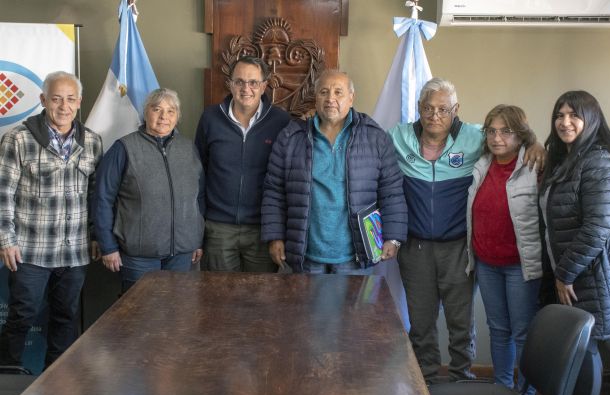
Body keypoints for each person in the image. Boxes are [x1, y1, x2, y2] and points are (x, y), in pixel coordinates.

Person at [389, 77, 545, 383]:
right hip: (415, 248)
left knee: (461, 323)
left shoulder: (476, 136)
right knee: (421, 323)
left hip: (458, 248)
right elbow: (369, 146)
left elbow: (511, 136)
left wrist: (535, 143)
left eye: (443, 109)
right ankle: (427, 382)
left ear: (456, 109)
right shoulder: (398, 136)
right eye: (428, 108)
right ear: (419, 107)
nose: (435, 115)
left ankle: (462, 379)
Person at [0, 71, 103, 367]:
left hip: (75, 252)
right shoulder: (18, 139)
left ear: (79, 102)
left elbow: (96, 195)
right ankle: (6, 376)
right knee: (22, 315)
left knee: (66, 318)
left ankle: (56, 382)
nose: (64, 106)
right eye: (56, 99)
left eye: (70, 99)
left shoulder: (92, 141)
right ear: (43, 100)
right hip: (30, 251)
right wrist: (6, 240)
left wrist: (95, 236)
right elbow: (3, 192)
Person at [261, 70, 407, 274]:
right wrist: (275, 236)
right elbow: (274, 191)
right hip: (306, 256)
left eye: (338, 92)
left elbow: (391, 192)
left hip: (357, 257)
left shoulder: (375, 138)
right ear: (316, 97)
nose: (330, 98)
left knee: (358, 298)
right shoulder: (291, 137)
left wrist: (393, 237)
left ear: (351, 98)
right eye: (324, 92)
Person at [540, 90, 610, 395]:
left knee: (586, 349)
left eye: (574, 115)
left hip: (589, 272)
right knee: (576, 347)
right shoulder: (566, 158)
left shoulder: (598, 159)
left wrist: (565, 274)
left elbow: (597, 227)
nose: (565, 122)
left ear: (592, 118)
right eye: (559, 115)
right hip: (571, 271)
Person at [466, 105, 541, 395]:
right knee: (498, 330)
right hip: (486, 264)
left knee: (523, 334)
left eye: (506, 131)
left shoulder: (534, 164)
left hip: (520, 267)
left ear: (520, 134)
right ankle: (502, 394)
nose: (497, 138)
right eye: (492, 131)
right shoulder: (482, 164)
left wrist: (538, 146)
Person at [94, 88, 205, 293]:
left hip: (182, 254)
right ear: (146, 113)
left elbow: (199, 198)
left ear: (178, 116)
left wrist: (196, 240)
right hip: (139, 257)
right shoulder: (124, 148)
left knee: (179, 309)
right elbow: (102, 198)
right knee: (140, 311)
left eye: (171, 111)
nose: (164, 116)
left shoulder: (189, 149)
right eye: (157, 109)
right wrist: (108, 246)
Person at [194, 56, 290, 272]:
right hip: (218, 229)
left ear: (264, 86)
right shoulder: (210, 118)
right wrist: (199, 225)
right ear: (230, 84)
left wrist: (278, 232)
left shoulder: (281, 121)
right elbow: (198, 174)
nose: (246, 88)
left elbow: (286, 178)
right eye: (239, 82)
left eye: (253, 82)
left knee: (260, 293)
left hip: (262, 230)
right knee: (218, 291)